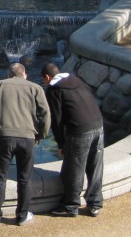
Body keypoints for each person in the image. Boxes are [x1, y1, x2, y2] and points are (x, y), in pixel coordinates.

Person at [0, 63, 51, 227]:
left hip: (4, 137)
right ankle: (22, 216)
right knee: (24, 178)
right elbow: (45, 113)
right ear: (25, 75)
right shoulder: (35, 88)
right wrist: (41, 135)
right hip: (27, 138)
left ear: (9, 75)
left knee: (0, 178)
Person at [42, 63, 105, 217]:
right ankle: (95, 203)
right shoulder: (77, 81)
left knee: (74, 168)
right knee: (95, 166)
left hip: (79, 130)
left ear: (47, 77)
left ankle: (70, 206)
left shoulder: (53, 90)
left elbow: (56, 120)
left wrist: (61, 143)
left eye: (44, 80)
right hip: (98, 125)